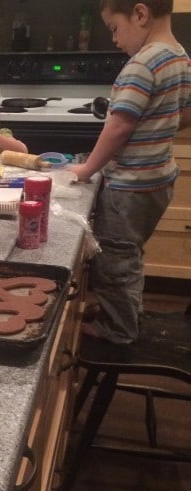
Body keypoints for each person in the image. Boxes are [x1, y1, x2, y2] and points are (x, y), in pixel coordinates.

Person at [69, 0, 191, 344]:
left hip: (130, 185)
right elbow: (186, 114)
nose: (114, 40)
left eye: (114, 29)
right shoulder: (179, 56)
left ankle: (118, 328)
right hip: (159, 181)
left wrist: (87, 168)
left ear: (140, 14)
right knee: (131, 251)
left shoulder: (142, 63)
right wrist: (158, 123)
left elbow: (119, 126)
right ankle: (123, 310)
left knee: (116, 258)